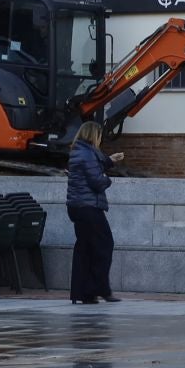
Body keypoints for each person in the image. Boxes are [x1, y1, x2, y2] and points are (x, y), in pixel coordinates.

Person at [66, 120, 122, 305]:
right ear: (93, 136)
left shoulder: (79, 151)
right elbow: (97, 181)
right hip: (88, 207)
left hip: (77, 207)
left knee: (85, 248)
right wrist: (107, 179)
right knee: (104, 245)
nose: (100, 140)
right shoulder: (87, 154)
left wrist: (109, 161)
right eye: (99, 136)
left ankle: (83, 293)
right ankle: (101, 289)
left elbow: (93, 165)